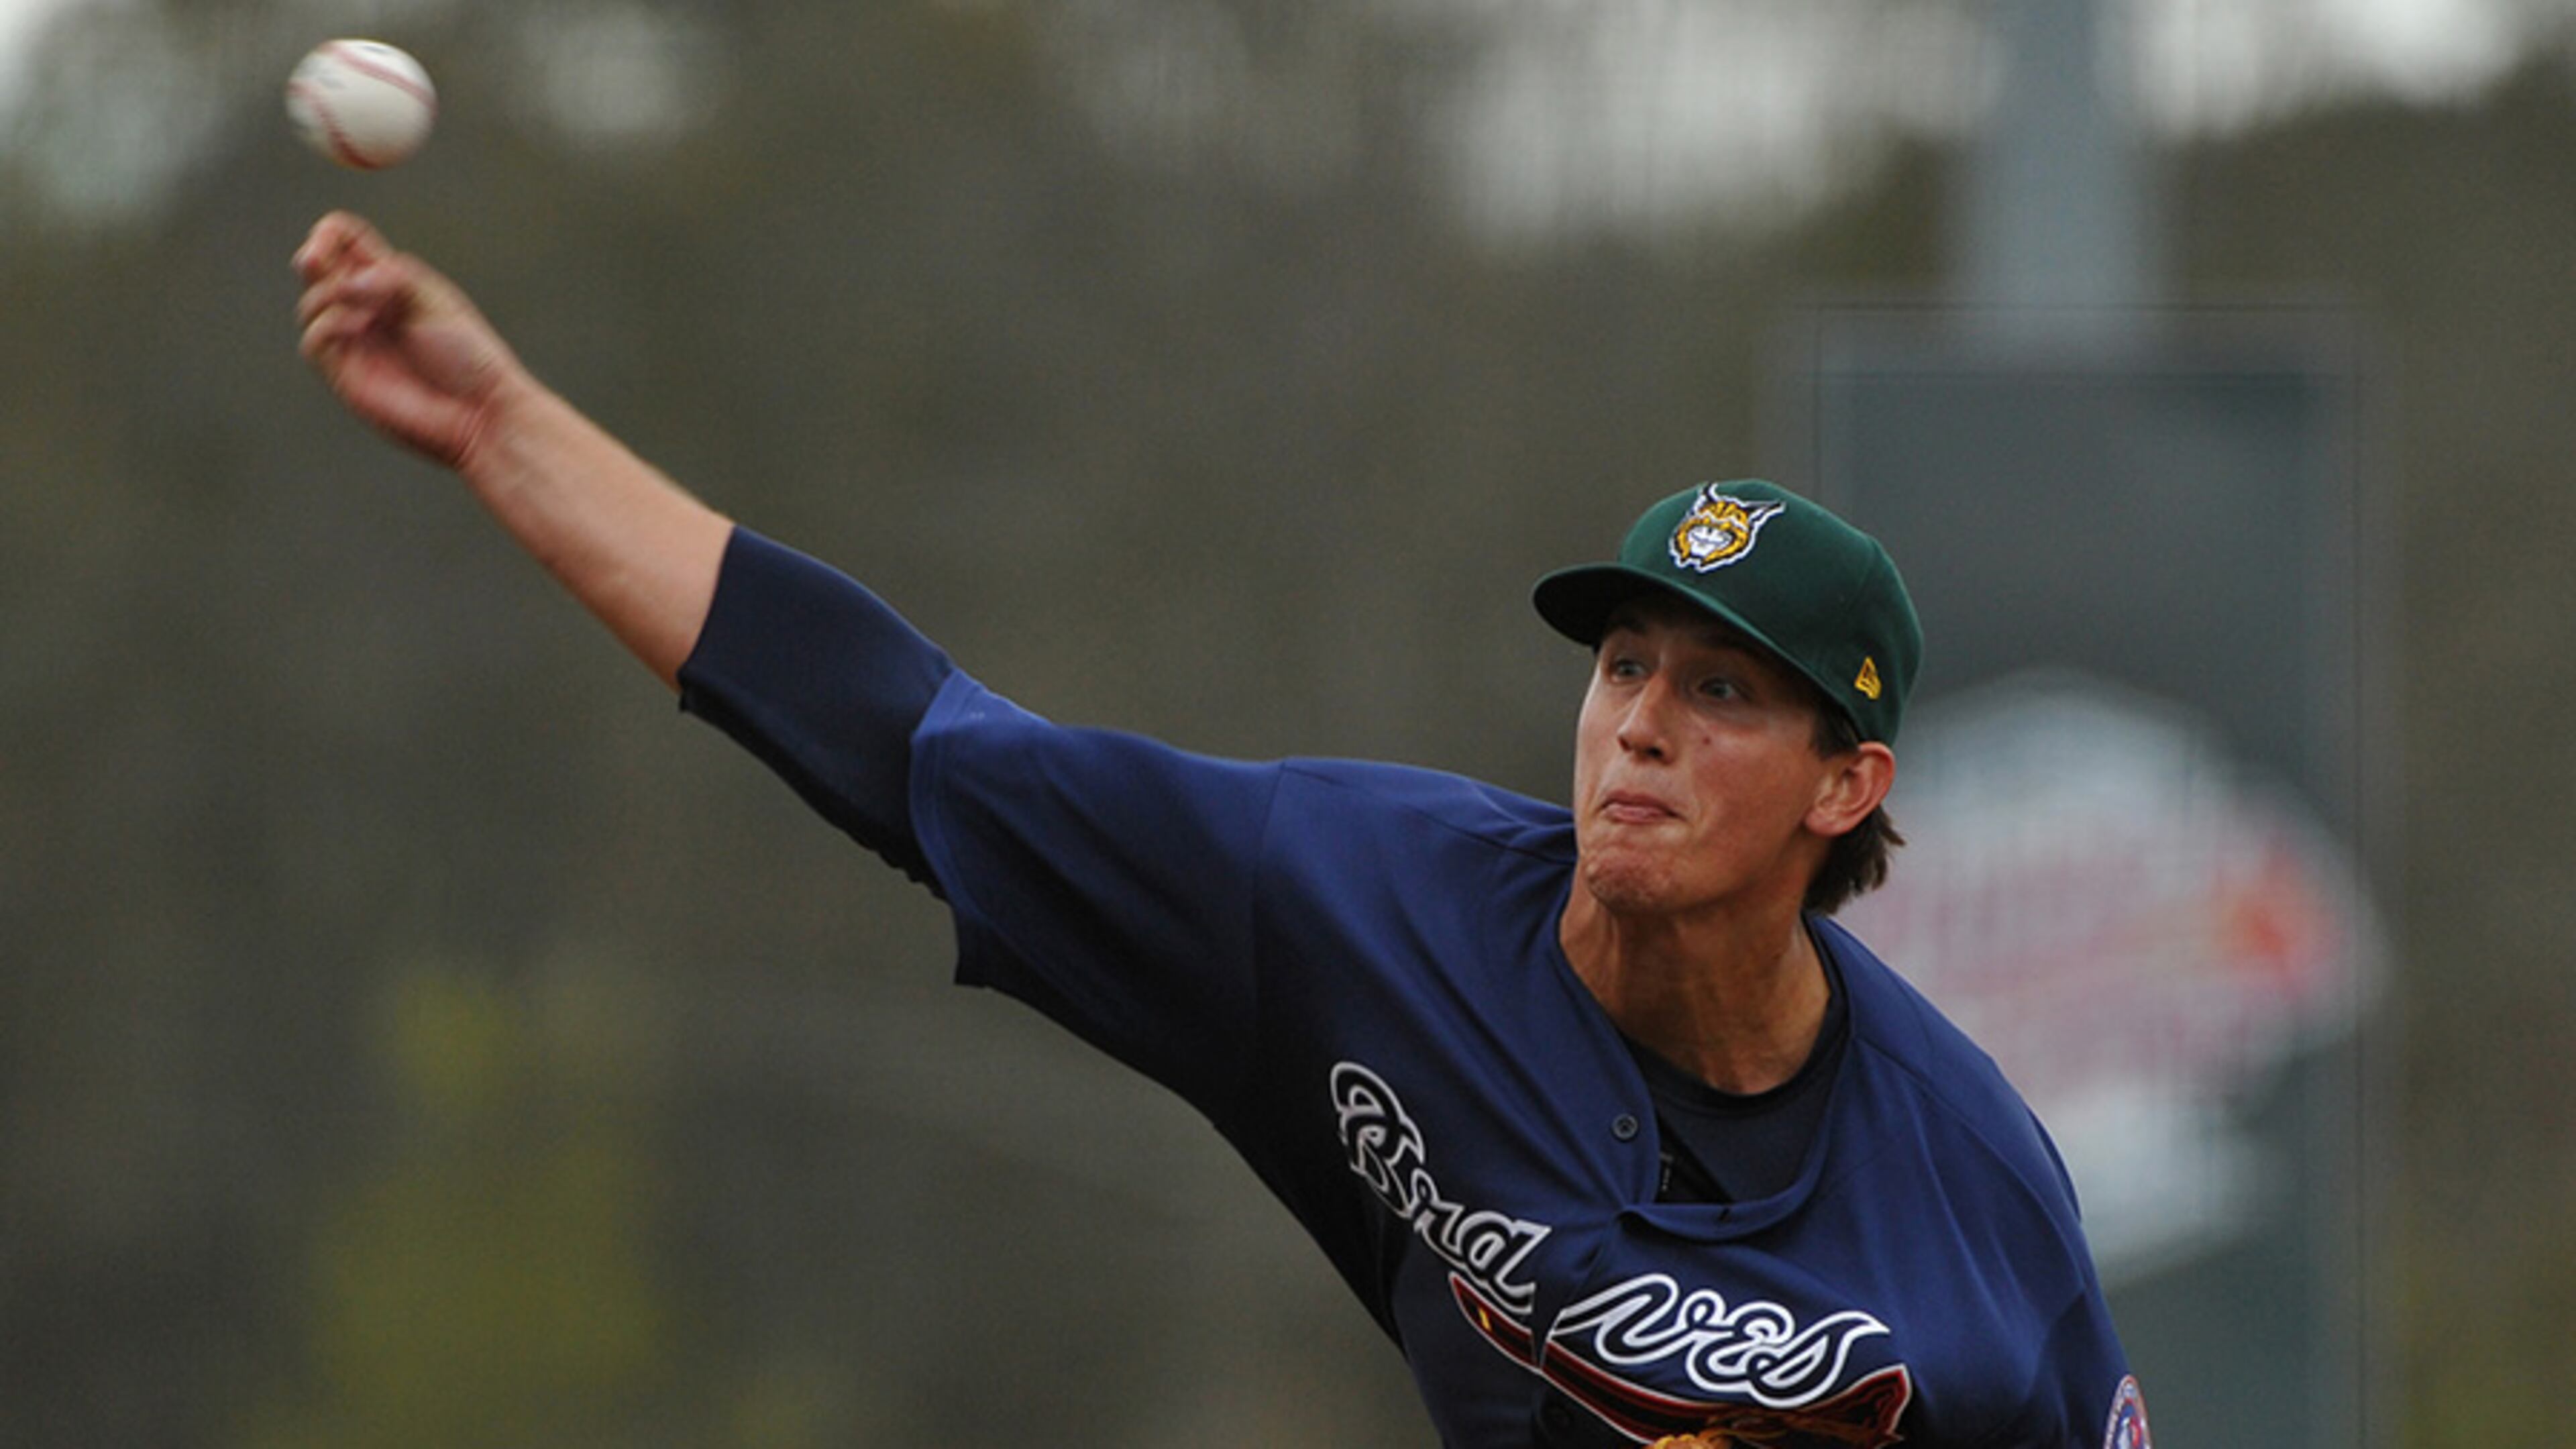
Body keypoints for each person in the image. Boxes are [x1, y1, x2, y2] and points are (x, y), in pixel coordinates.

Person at [293, 211, 2149, 1448]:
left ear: (1849, 787)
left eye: (1724, 694)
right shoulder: (1354, 901)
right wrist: (499, 428)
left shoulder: (1976, 1195)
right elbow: (907, 735)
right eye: (1626, 666)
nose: (1641, 725)